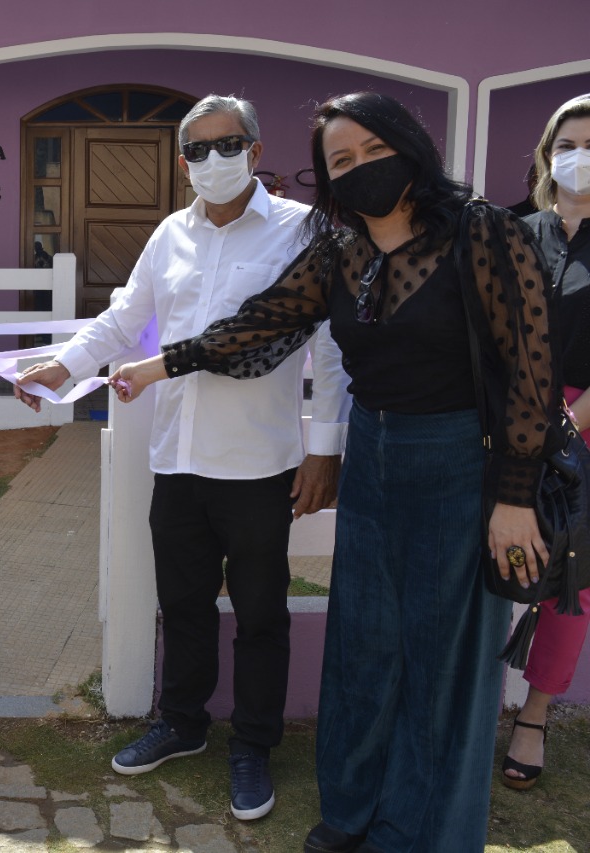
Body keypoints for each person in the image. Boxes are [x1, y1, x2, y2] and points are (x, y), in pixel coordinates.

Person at [109, 92, 559, 852]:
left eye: (373, 152)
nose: (360, 170)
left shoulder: (480, 231)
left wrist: (514, 497)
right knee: (365, 645)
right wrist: (161, 364)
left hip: (460, 463)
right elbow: (262, 322)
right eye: (341, 161)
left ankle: (422, 830)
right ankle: (352, 812)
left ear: (410, 147)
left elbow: (530, 373)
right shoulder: (340, 251)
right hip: (377, 462)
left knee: (442, 662)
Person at [14, 95, 350, 822]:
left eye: (227, 146)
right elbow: (123, 318)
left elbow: (330, 346)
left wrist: (325, 447)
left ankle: (253, 743)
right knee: (185, 602)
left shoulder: (301, 233)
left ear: (256, 152)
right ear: (182, 163)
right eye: (197, 150)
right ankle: (184, 722)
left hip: (260, 463)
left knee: (261, 612)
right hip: (179, 460)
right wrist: (62, 367)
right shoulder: (170, 235)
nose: (212, 161)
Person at [502, 93, 590, 791]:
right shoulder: (510, 230)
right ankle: (464, 700)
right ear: (547, 152)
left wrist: (566, 424)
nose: (579, 156)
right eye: (569, 142)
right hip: (504, 419)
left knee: (569, 579)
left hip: (584, 423)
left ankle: (532, 714)